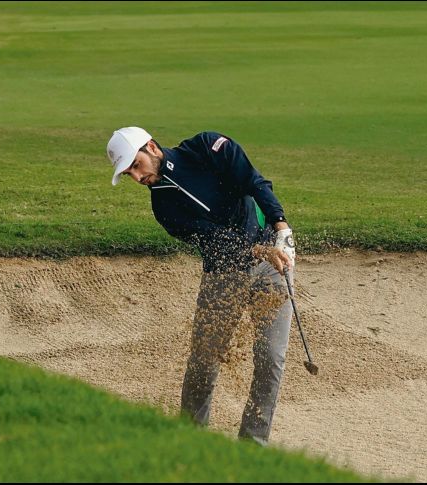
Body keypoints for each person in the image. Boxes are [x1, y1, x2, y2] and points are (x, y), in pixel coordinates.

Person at [106, 126, 296, 446]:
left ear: (152, 147)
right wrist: (259, 250)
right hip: (224, 274)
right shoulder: (164, 208)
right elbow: (214, 241)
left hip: (273, 265)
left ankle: (253, 447)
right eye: (128, 174)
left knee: (271, 359)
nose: (137, 178)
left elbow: (253, 180)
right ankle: (191, 441)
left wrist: (282, 227)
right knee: (204, 362)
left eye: (136, 165)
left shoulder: (207, 147)